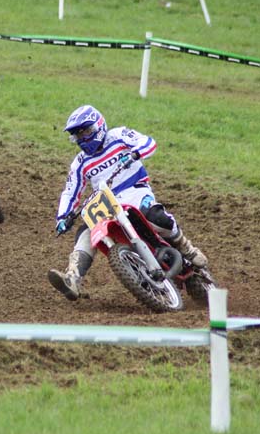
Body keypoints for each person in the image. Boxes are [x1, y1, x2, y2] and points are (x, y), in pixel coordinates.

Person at [48, 105, 208, 301]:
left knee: (155, 216)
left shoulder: (118, 136)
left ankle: (187, 248)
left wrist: (136, 153)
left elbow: (147, 142)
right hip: (107, 204)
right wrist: (63, 216)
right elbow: (70, 191)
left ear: (99, 126)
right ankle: (72, 278)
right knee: (87, 232)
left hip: (135, 191)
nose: (83, 138)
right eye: (78, 135)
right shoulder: (80, 162)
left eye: (86, 131)